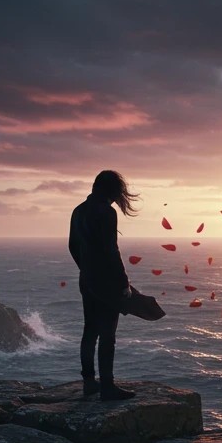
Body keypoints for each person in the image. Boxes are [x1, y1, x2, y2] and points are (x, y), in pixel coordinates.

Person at [69, 170, 139, 401]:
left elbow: (72, 246)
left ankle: (89, 382)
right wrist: (124, 283)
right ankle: (107, 387)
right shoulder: (106, 212)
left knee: (90, 330)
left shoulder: (78, 210)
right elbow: (112, 250)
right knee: (108, 334)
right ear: (113, 190)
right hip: (106, 282)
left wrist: (86, 269)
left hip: (86, 279)